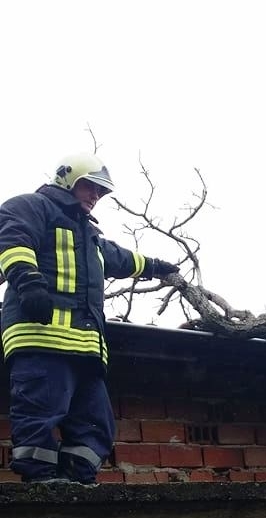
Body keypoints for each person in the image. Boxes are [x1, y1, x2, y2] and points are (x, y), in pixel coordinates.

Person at [0, 152, 179, 484]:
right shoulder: (31, 206)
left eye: (101, 192)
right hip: (41, 335)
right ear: (68, 179)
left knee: (96, 422)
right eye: (90, 187)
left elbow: (121, 258)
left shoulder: (90, 236)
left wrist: (155, 266)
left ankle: (76, 481)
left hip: (86, 347)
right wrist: (28, 282)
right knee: (40, 411)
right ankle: (41, 482)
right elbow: (13, 239)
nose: (95, 196)